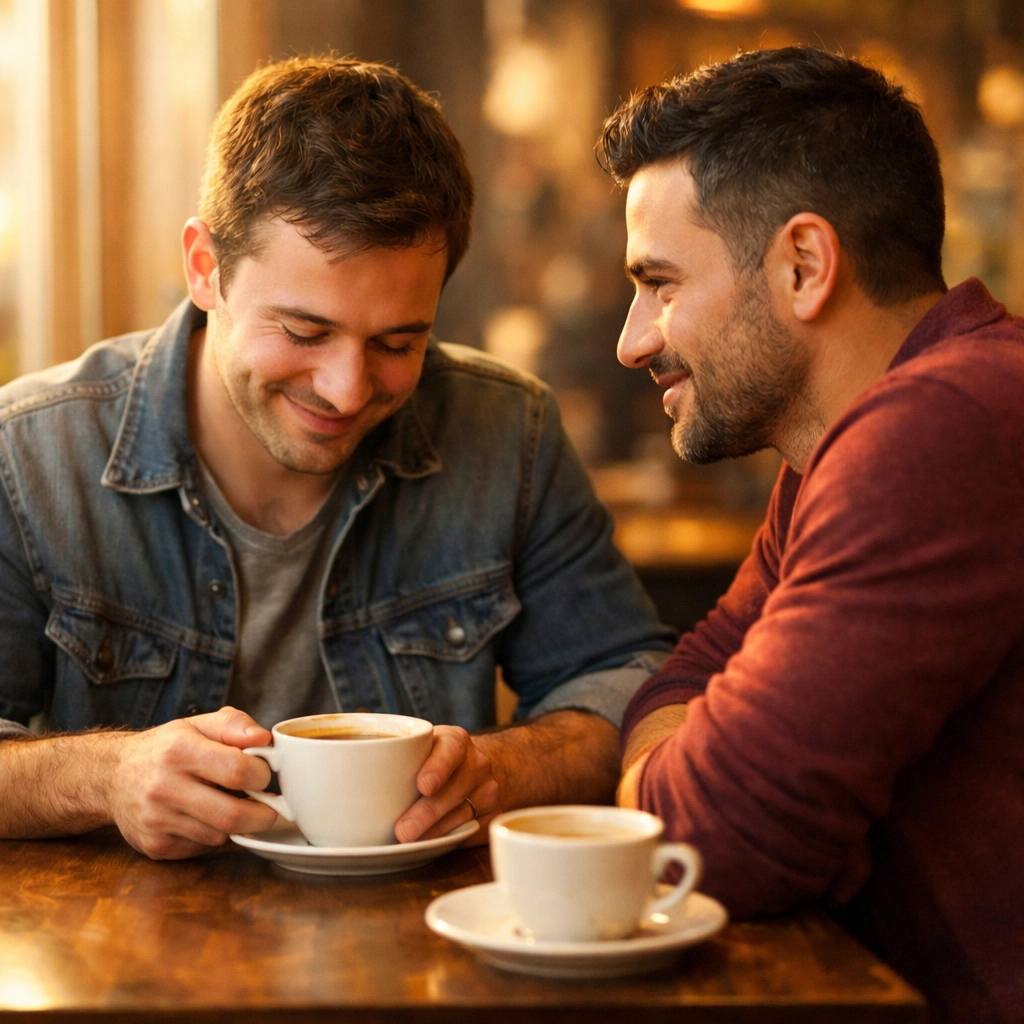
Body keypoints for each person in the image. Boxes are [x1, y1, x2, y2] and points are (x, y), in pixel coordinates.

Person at [0, 56, 673, 861]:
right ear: (205, 268)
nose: (347, 390)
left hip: (424, 931)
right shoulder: (31, 454)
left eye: (397, 342)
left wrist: (499, 770)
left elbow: (629, 686)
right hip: (120, 938)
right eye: (305, 331)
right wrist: (107, 776)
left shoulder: (507, 432)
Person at [601, 47, 1023, 1024]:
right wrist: (679, 759)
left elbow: (701, 844)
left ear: (803, 265)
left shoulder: (939, 426)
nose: (632, 339)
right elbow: (688, 672)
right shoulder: (841, 443)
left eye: (660, 284)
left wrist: (671, 787)